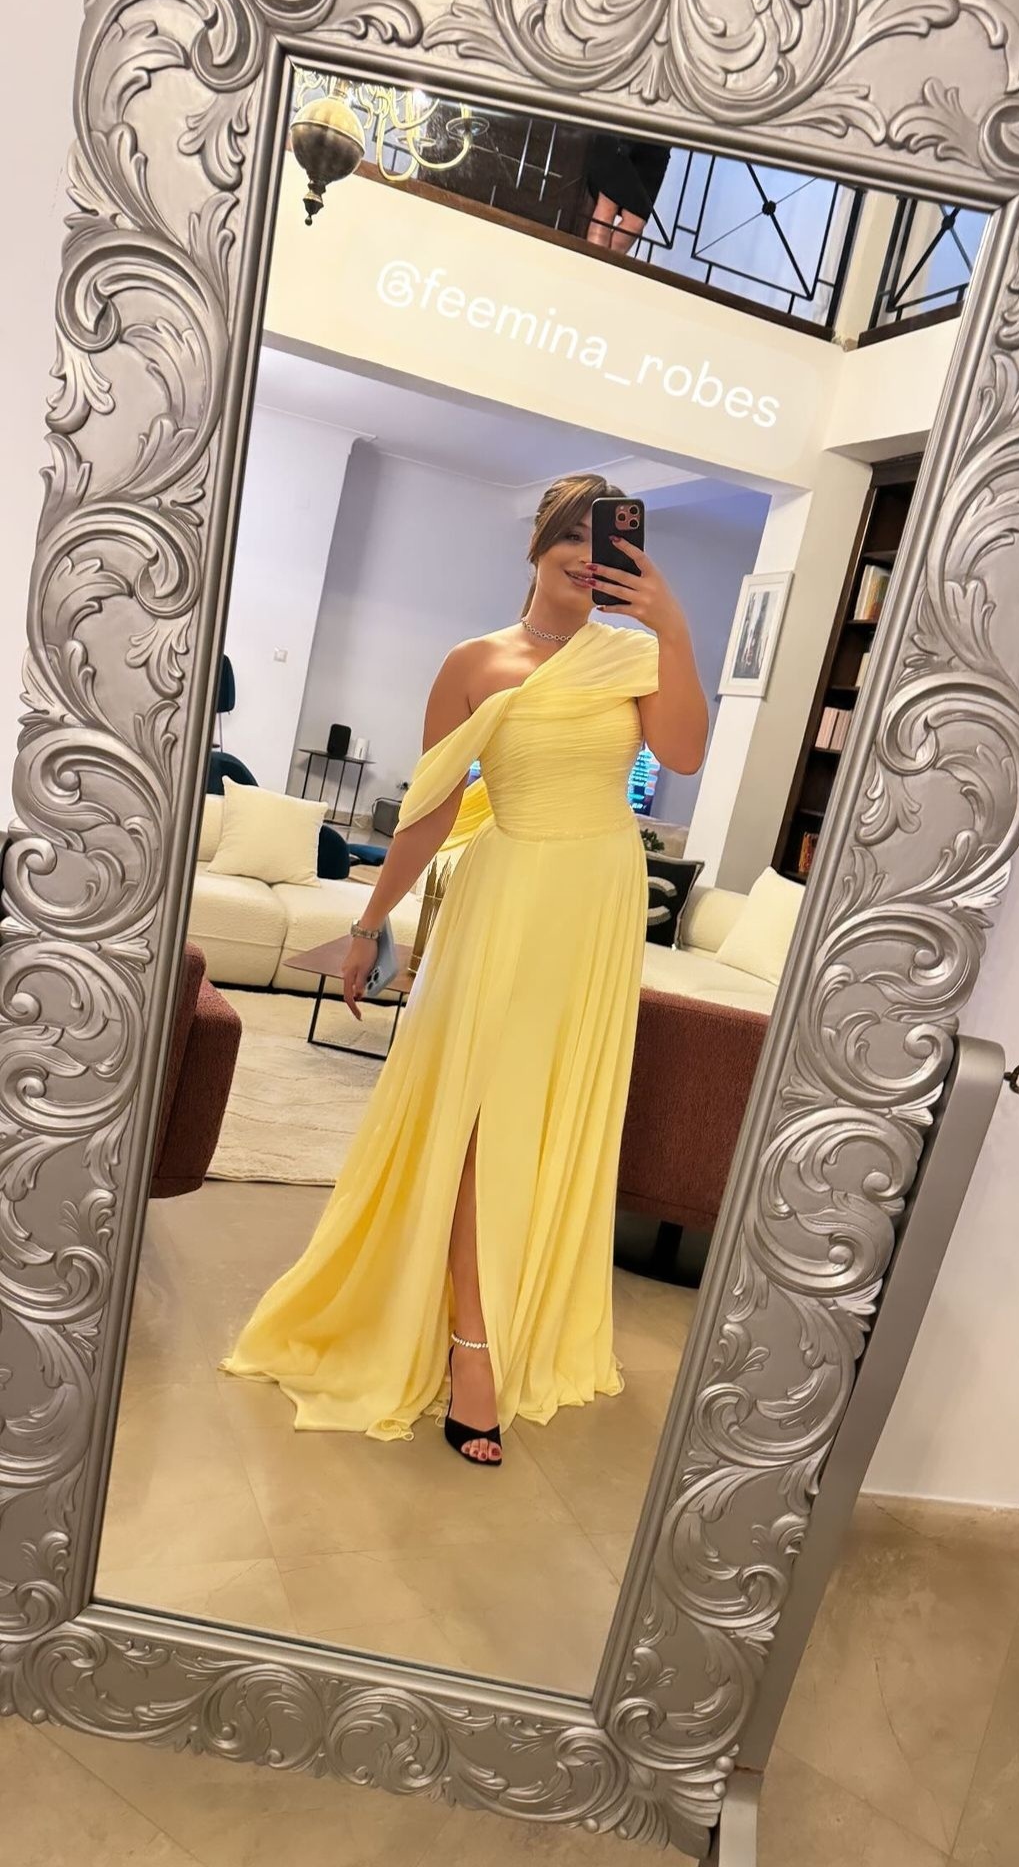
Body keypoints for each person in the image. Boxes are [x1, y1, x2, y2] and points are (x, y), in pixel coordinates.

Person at [222, 475, 708, 1464]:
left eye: (606, 543)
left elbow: (683, 753)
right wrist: (369, 924)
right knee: (486, 1113)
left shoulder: (634, 654)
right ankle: (470, 1344)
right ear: (537, 544)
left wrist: (675, 628)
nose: (587, 558)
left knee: (554, 1110)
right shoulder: (475, 663)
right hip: (509, 895)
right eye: (570, 537)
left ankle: (505, 1312)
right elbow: (433, 806)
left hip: (600, 902)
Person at [585, 134, 671, 254]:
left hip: (659, 144)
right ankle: (594, 261)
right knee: (607, 206)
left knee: (636, 223)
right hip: (627, 132)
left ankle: (602, 262)